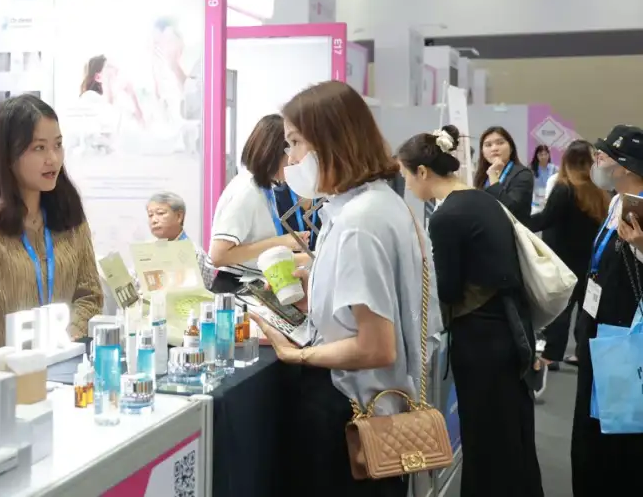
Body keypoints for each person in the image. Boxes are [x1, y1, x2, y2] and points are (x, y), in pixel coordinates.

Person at [253, 82, 440, 497]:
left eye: (295, 142)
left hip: (349, 410)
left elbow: (375, 347)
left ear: (330, 140)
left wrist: (298, 354)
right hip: (375, 404)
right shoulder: (377, 204)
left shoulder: (359, 222)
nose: (290, 158)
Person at [397, 126, 543, 497]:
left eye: (406, 176)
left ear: (423, 172)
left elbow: (448, 289)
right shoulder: (482, 200)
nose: (408, 185)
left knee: (485, 441)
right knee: (513, 437)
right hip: (509, 330)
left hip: (480, 340)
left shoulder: (447, 216)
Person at [0, 94, 103, 373]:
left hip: (66, 378)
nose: (52, 159)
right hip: (4, 387)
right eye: (39, 148)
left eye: (57, 145)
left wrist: (64, 339)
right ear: (8, 155)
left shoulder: (69, 217)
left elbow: (90, 296)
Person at [570, 125, 643, 496]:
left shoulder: (639, 209)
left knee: (617, 430)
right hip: (597, 330)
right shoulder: (617, 201)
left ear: (625, 167)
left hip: (624, 339)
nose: (596, 161)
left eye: (604, 156)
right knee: (590, 425)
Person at [528, 140, 609, 373]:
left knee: (561, 310)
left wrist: (515, 222)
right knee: (587, 311)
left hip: (563, 261)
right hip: (591, 261)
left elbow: (545, 219)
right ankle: (583, 353)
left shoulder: (564, 188)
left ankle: (551, 355)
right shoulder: (600, 191)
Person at [207, 114, 310, 293]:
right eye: (290, 149)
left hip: (252, 282)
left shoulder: (264, 187)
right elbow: (218, 255)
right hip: (236, 287)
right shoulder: (247, 190)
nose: (294, 160)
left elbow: (256, 252)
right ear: (274, 153)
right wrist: (279, 242)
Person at [146, 191, 215, 289]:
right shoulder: (148, 250)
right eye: (150, 215)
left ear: (179, 216)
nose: (154, 220)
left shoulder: (194, 253)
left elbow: (200, 295)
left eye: (160, 213)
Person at [473, 126, 534, 225]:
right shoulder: (482, 175)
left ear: (511, 148)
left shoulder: (523, 174)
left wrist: (493, 175)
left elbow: (510, 209)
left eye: (500, 143)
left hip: (510, 231)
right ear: (482, 152)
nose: (494, 148)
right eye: (488, 145)